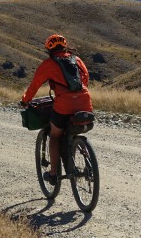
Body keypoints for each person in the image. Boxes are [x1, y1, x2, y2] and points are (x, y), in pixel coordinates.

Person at [20, 34, 93, 185]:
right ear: (65, 46)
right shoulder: (77, 60)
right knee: (73, 131)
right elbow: (85, 78)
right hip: (85, 102)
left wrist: (25, 100)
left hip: (64, 104)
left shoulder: (49, 64)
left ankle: (53, 173)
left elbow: (35, 85)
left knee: (54, 135)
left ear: (49, 49)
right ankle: (88, 162)